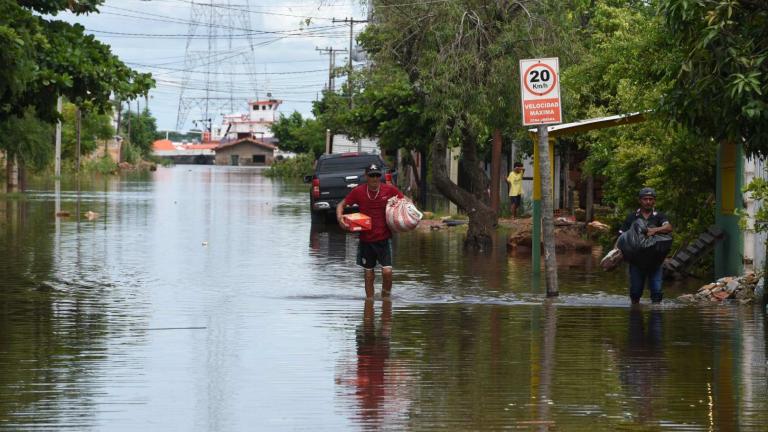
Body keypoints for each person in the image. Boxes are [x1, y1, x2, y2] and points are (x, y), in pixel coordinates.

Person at [337, 163, 404, 299]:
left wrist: (411, 213)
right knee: (368, 274)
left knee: (387, 272)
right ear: (366, 176)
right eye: (372, 175)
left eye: (377, 175)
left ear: (381, 176)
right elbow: (341, 204)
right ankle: (369, 302)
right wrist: (340, 218)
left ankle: (386, 297)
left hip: (384, 239)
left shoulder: (389, 190)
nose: (375, 178)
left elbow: (404, 200)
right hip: (366, 240)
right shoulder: (358, 191)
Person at [619, 187, 673, 304]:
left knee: (657, 292)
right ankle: (635, 312)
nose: (648, 201)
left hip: (656, 261)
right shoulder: (632, 217)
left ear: (654, 201)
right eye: (645, 199)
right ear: (640, 200)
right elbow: (621, 237)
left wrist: (654, 230)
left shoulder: (659, 216)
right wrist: (615, 252)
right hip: (636, 262)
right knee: (635, 292)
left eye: (650, 199)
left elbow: (668, 228)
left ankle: (656, 315)